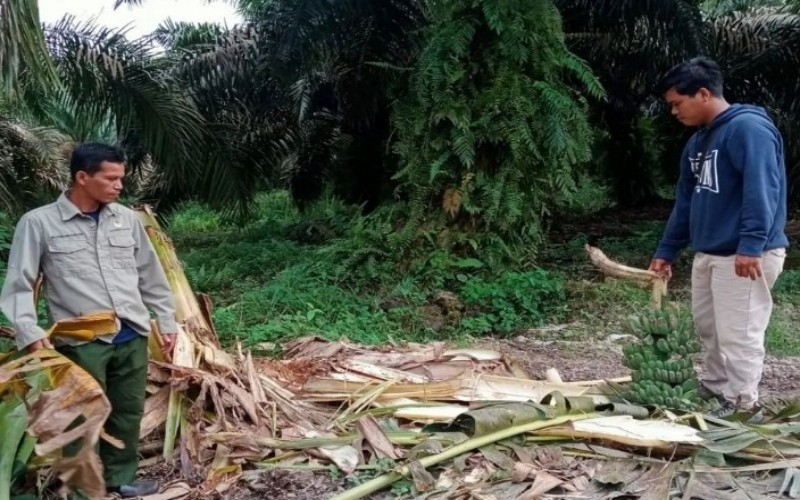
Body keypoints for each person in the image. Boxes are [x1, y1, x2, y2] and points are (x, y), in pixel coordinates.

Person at [0, 142, 178, 497]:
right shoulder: (39, 223)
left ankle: (119, 477)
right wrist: (30, 332)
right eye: (110, 178)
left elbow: (151, 275)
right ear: (82, 178)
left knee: (126, 411)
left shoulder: (126, 219)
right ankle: (85, 491)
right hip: (80, 342)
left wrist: (167, 321)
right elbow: (19, 283)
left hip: (132, 333)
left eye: (120, 178)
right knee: (81, 419)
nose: (119, 186)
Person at [650, 57, 788, 418]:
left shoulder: (748, 129)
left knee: (738, 332)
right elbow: (686, 201)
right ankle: (714, 389)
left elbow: (762, 189)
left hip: (744, 254)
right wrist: (667, 250)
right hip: (710, 251)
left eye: (678, 103)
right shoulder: (697, 142)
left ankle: (743, 403)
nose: (674, 112)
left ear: (704, 93)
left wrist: (751, 245)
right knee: (709, 327)